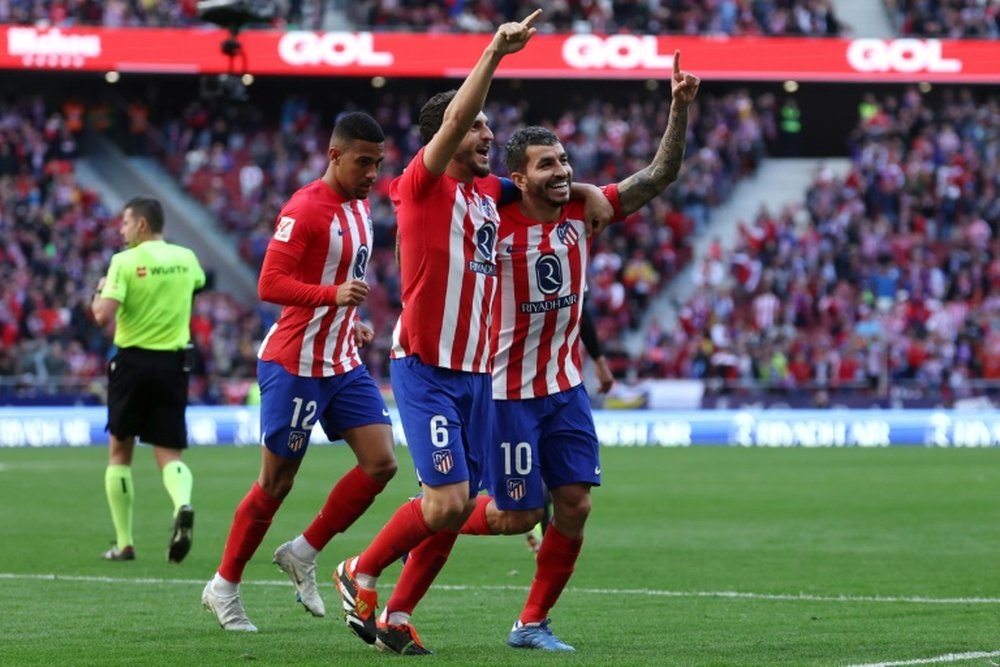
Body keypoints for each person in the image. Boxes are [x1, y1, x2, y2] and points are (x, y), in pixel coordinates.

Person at [466, 51, 700, 651]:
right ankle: (432, 515)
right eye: (547, 164)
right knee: (517, 517)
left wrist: (678, 109)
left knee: (573, 504)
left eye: (564, 160)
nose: (562, 170)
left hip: (564, 390)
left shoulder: (583, 210)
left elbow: (658, 176)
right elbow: (444, 184)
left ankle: (532, 623)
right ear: (518, 176)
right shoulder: (491, 217)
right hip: (507, 389)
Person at [201, 111, 397, 633]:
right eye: (363, 162)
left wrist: (348, 318)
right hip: (295, 363)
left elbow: (340, 276)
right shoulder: (305, 208)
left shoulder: (360, 208)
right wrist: (332, 298)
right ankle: (224, 586)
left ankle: (303, 551)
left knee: (381, 464)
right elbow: (270, 283)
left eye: (378, 163)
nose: (372, 173)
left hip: (341, 359)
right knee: (276, 482)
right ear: (334, 156)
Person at [91, 196, 206, 563]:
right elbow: (197, 285)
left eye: (125, 223)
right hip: (174, 364)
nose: (121, 230)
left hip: (131, 364)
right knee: (169, 451)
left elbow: (101, 316)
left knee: (120, 452)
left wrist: (100, 287)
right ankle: (183, 503)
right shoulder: (186, 258)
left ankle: (124, 543)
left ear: (141, 224)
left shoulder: (123, 262)